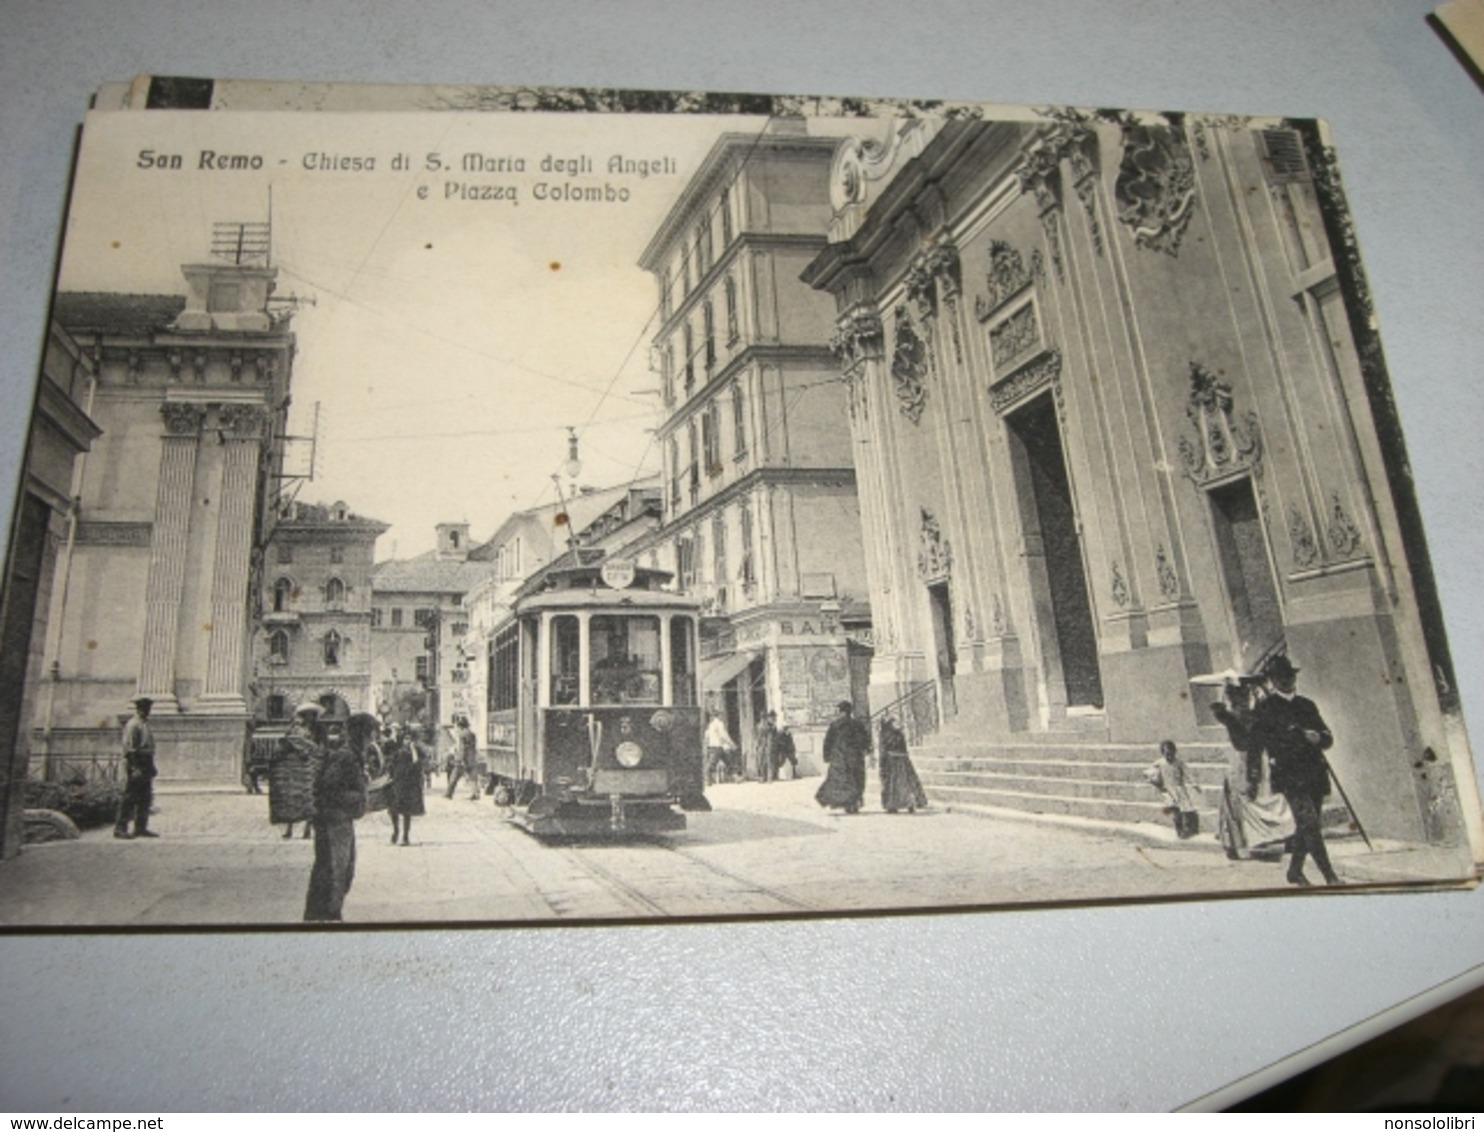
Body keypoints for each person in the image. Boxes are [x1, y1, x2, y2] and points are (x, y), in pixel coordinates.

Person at [1250, 654, 1341, 886]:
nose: (1287, 680)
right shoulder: (1265, 709)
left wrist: (1318, 737)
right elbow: (1258, 744)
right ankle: (1329, 876)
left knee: (1306, 826)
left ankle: (1294, 871)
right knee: (1309, 823)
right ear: (1272, 680)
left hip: (1315, 774)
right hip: (1290, 775)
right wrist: (1254, 777)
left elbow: (1328, 738)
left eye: (1289, 675)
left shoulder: (1307, 705)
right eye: (1281, 677)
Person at [1210, 675, 1294, 860]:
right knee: (1240, 800)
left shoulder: (1244, 717)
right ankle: (1239, 842)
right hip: (1242, 759)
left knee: (1253, 797)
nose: (1237, 701)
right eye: (1234, 698)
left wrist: (1228, 716)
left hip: (1250, 759)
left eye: (1239, 697)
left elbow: (1245, 742)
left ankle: (1273, 838)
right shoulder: (1239, 715)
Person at [303, 717, 367, 922]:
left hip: (339, 820)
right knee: (334, 869)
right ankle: (326, 916)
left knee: (342, 868)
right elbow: (328, 788)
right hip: (333, 821)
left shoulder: (350, 755)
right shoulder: (345, 757)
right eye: (371, 733)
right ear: (362, 734)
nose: (373, 738)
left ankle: (327, 913)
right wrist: (357, 797)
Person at [271, 703, 322, 840]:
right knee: (292, 797)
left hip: (310, 766)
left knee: (310, 798)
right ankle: (290, 829)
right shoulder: (293, 730)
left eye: (311, 715)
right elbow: (286, 743)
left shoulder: (318, 730)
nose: (309, 718)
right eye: (306, 715)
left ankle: (307, 829)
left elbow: (319, 748)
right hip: (294, 767)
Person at [113, 696, 159, 839]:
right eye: (145, 709)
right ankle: (120, 828)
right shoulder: (133, 725)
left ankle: (140, 827)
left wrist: (151, 766)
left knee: (145, 798)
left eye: (148, 709)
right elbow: (130, 749)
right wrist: (134, 768)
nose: (147, 711)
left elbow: (148, 748)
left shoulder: (144, 724)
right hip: (136, 763)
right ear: (139, 709)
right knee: (129, 798)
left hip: (145, 762)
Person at [816, 701, 870, 814]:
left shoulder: (835, 725)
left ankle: (843, 802)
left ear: (842, 712)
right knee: (856, 780)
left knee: (840, 781)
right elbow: (865, 739)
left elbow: (828, 742)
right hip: (855, 757)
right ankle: (853, 803)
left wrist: (826, 756)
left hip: (839, 757)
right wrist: (866, 750)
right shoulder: (857, 724)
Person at [1144, 739, 1201, 839]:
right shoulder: (1160, 763)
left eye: (1171, 754)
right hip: (1168, 790)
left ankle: (1188, 829)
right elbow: (1148, 772)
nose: (1170, 756)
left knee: (1186, 809)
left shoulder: (1179, 763)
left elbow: (1188, 773)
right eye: (1167, 754)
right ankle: (1179, 830)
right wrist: (1152, 779)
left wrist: (1194, 784)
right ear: (1163, 753)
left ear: (1175, 752)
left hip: (1179, 788)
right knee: (1176, 812)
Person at [385, 723, 425, 846]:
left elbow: (418, 763)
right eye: (406, 739)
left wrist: (413, 749)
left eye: (410, 739)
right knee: (394, 810)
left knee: (407, 811)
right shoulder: (397, 750)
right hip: (397, 782)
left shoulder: (416, 751)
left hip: (409, 784)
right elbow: (390, 763)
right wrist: (390, 777)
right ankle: (395, 831)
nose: (407, 741)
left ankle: (405, 836)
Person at [878, 715, 927, 814]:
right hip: (896, 761)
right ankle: (903, 804)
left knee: (899, 784)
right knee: (901, 784)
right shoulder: (895, 735)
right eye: (894, 723)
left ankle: (901, 804)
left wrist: (882, 763)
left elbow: (884, 750)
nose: (897, 725)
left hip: (897, 761)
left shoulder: (889, 735)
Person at [444, 715, 481, 801]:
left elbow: (461, 748)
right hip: (472, 758)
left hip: (463, 760)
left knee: (454, 776)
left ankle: (448, 793)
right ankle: (475, 794)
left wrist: (459, 759)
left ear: (460, 726)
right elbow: (473, 747)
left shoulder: (461, 735)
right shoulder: (472, 734)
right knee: (473, 777)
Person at [704, 712, 738, 786]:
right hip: (717, 747)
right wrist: (732, 744)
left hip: (713, 746)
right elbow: (724, 735)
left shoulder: (711, 725)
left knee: (727, 761)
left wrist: (707, 747)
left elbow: (707, 736)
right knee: (713, 763)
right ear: (718, 716)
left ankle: (735, 777)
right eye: (721, 715)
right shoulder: (719, 723)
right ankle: (707, 780)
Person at [754, 711, 779, 783]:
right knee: (761, 761)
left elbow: (772, 736)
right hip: (763, 745)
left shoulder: (770, 726)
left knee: (768, 761)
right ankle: (763, 777)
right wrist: (757, 745)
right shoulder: (760, 726)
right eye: (762, 718)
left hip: (767, 745)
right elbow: (757, 736)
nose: (763, 720)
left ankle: (769, 777)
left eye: (764, 718)